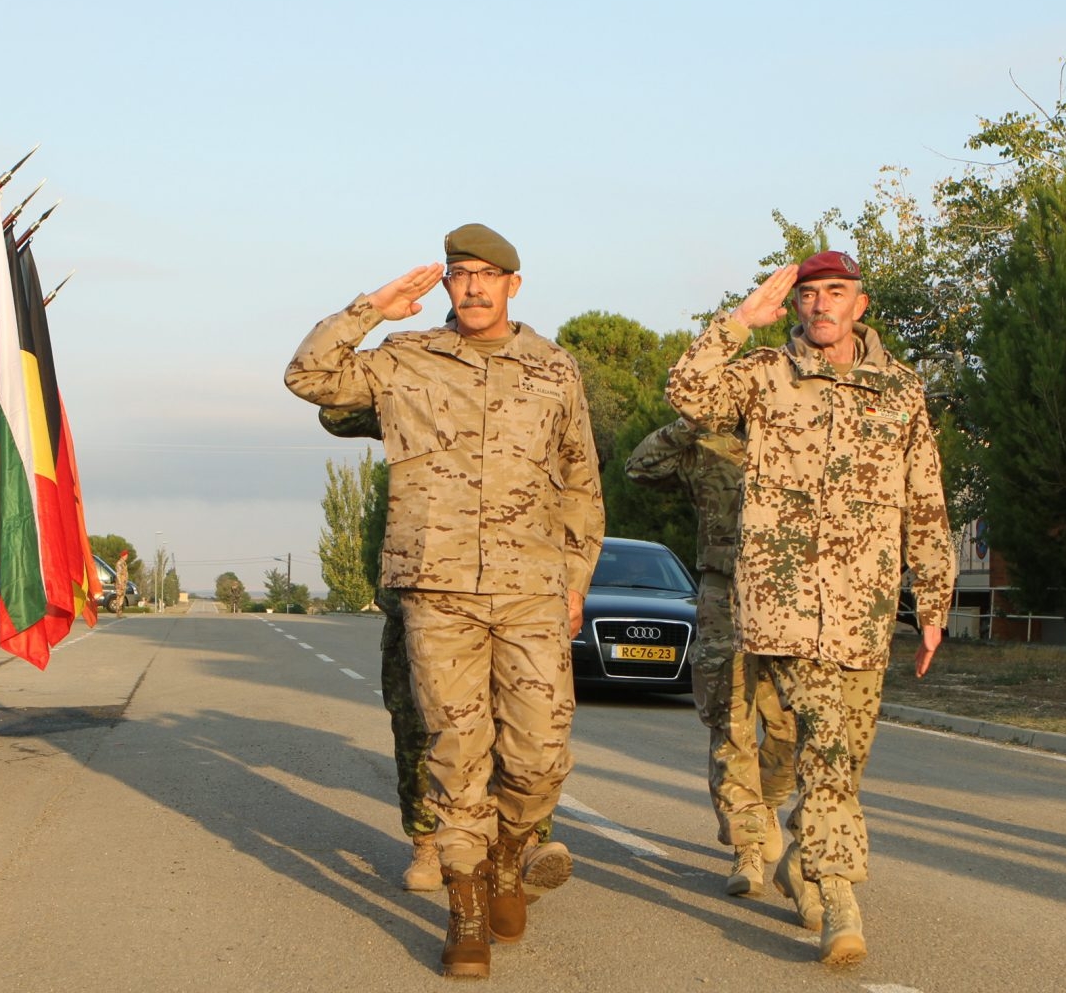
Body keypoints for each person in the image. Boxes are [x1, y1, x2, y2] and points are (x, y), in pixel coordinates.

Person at [286, 224, 605, 978]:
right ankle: (465, 912)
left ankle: (508, 857)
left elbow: (581, 483)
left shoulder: (555, 370)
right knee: (459, 755)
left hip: (530, 589)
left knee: (540, 755)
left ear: (514, 286)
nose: (472, 287)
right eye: (460, 274)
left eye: (488, 275)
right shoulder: (407, 360)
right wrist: (374, 307)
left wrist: (577, 582)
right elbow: (310, 377)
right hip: (437, 588)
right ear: (447, 284)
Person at [665, 251, 955, 965]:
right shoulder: (766, 375)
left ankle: (802, 858)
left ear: (860, 304)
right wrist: (738, 323)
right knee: (824, 746)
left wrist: (936, 600)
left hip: (863, 609)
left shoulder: (901, 390)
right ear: (795, 305)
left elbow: (926, 499)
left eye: (836, 293)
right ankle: (837, 898)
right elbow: (690, 393)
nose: (821, 305)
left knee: (844, 759)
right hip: (782, 605)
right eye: (810, 295)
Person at [318, 405, 574, 897]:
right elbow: (336, 410)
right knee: (422, 727)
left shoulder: (524, 400)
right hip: (423, 594)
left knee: (521, 727)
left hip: (510, 594)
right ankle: (428, 844)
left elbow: (576, 470)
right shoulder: (419, 393)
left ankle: (525, 842)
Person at [626, 417, 796, 896]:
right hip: (723, 590)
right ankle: (746, 846)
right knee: (731, 719)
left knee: (791, 725)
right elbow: (639, 467)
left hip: (792, 597)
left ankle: (765, 803)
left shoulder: (798, 428)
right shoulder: (705, 441)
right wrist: (689, 422)